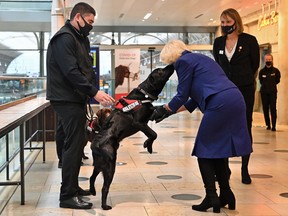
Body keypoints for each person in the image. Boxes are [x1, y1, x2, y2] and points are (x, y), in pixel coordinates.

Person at [150, 39, 252, 213]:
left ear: (172, 56)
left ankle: (211, 197)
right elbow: (193, 100)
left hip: (219, 103)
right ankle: (226, 194)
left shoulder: (182, 62)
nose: (172, 66)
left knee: (203, 150)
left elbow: (182, 94)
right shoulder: (201, 58)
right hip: (235, 99)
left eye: (170, 63)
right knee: (219, 150)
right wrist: (169, 112)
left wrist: (164, 108)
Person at [46, 2, 114, 209]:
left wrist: (92, 89)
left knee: (75, 147)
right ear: (77, 17)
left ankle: (73, 188)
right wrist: (94, 92)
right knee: (73, 147)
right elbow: (71, 72)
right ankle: (67, 195)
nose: (91, 26)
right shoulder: (65, 38)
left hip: (75, 98)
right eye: (89, 21)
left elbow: (85, 68)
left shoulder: (79, 38)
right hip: (65, 98)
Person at [213, 8, 260, 184]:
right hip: (225, 90)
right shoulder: (218, 42)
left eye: (228, 22)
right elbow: (219, 65)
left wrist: (245, 78)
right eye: (222, 22)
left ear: (236, 22)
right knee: (224, 126)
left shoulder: (249, 41)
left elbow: (255, 65)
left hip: (245, 89)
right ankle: (224, 168)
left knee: (245, 125)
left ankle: (244, 168)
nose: (225, 26)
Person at [259, 54, 281, 131]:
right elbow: (261, 81)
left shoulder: (276, 71)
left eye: (269, 59)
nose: (268, 61)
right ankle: (268, 124)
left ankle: (274, 125)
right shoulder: (261, 71)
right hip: (264, 93)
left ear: (272, 60)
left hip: (272, 92)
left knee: (273, 109)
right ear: (264, 60)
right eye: (267, 60)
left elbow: (278, 80)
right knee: (265, 109)